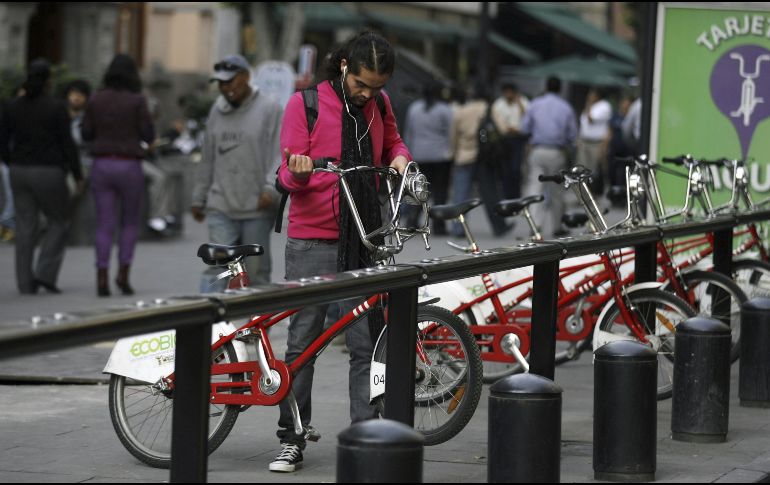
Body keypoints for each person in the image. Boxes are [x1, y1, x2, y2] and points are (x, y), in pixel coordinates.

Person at [276, 31, 410, 473]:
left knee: (365, 342)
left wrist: (400, 159)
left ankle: (365, 432)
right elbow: (287, 174)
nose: (368, 95)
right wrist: (297, 171)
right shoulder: (306, 104)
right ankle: (293, 435)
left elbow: (393, 142)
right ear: (344, 67)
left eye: (377, 88)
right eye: (362, 85)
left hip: (365, 234)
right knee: (303, 341)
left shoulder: (380, 106)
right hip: (312, 237)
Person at [191, 54, 283, 292]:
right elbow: (208, 155)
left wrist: (270, 188)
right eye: (221, 83)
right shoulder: (216, 111)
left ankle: (257, 327)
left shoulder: (270, 108)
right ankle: (208, 326)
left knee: (256, 273)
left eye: (230, 81)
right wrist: (199, 197)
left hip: (257, 205)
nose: (225, 87)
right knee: (217, 268)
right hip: (221, 203)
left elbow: (279, 153)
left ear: (246, 77)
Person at [0, 59, 83, 294]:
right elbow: (68, 144)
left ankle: (24, 283)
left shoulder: (12, 106)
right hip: (49, 171)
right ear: (48, 80)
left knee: (25, 226)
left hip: (19, 170)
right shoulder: (56, 107)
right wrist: (77, 174)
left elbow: (2, 141)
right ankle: (46, 272)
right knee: (59, 221)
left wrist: (10, 161)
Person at [81, 54, 155, 296]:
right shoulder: (137, 101)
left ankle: (101, 277)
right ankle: (123, 274)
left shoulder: (96, 99)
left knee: (104, 224)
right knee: (130, 223)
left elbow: (86, 133)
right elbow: (148, 134)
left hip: (102, 164)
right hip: (129, 165)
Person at [449, 83, 511, 237]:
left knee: (460, 194)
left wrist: (455, 152)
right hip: (485, 157)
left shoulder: (462, 111)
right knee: (490, 193)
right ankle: (499, 226)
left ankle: (458, 228)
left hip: (464, 155)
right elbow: (503, 129)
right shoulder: (490, 109)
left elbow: (453, 135)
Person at [520, 76, 578, 238]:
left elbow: (524, 127)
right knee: (557, 191)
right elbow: (573, 134)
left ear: (546, 87)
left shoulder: (535, 104)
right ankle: (557, 226)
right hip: (556, 151)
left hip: (537, 150)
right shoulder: (565, 107)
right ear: (560, 89)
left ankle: (535, 225)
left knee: (535, 187)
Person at [402, 81, 453, 234]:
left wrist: (408, 153)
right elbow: (451, 132)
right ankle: (438, 225)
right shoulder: (445, 110)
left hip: (419, 154)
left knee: (418, 190)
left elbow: (409, 132)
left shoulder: (414, 108)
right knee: (440, 192)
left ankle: (412, 221)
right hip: (440, 155)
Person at [492, 82, 529, 199]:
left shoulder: (522, 101)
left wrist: (519, 104)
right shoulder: (499, 104)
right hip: (504, 139)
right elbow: (497, 120)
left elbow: (528, 117)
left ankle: (516, 195)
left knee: (516, 169)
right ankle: (506, 195)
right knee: (505, 169)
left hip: (518, 138)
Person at [577, 87, 613, 195]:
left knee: (595, 170)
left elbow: (590, 119)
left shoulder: (604, 106)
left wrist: (588, 105)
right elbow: (583, 124)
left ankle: (595, 193)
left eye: (591, 95)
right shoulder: (590, 107)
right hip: (585, 141)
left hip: (596, 142)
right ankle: (584, 194)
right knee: (582, 168)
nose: (589, 97)